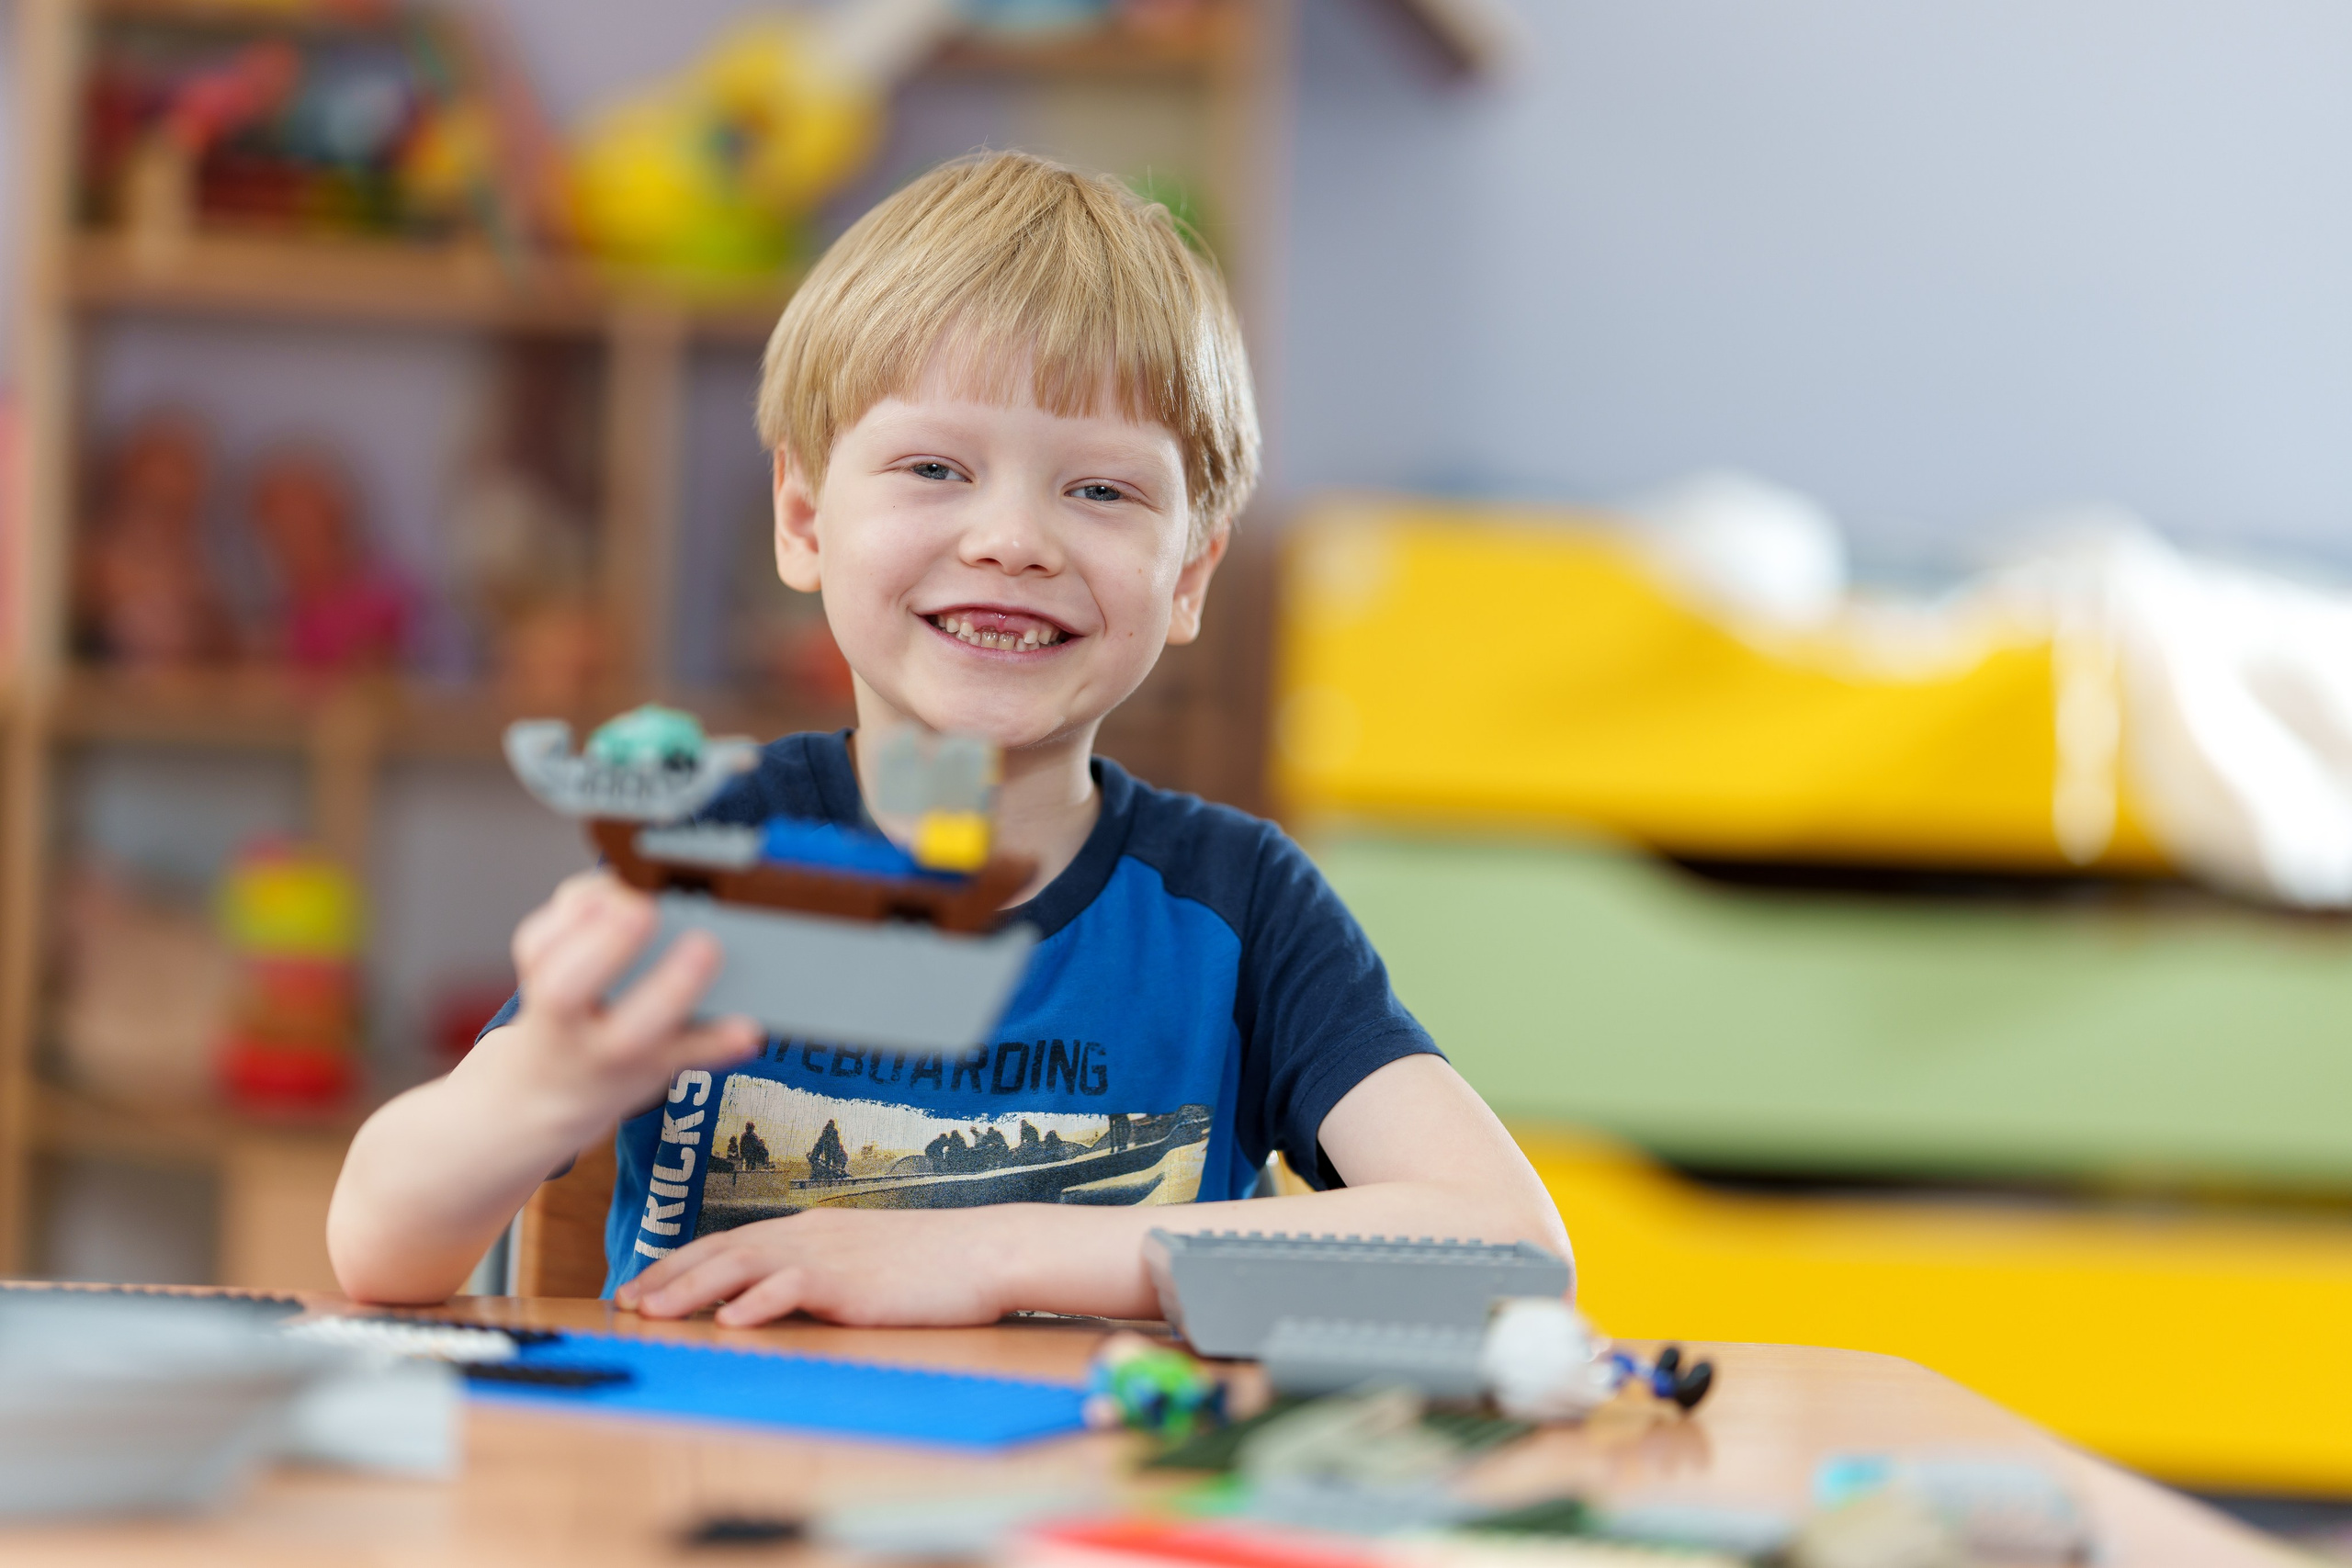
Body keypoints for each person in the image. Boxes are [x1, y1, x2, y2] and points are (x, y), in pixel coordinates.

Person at [326, 152, 1569, 1325]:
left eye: (1101, 490)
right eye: (934, 468)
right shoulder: (714, 856)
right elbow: (379, 1247)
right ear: (804, 520)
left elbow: (1510, 1261)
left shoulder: (1241, 911)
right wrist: (543, 1082)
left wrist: (991, 1250)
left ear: (1190, 575)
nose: (1012, 541)